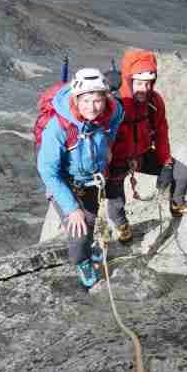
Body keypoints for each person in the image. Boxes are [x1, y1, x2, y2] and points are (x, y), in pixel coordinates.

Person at [37, 68, 124, 289]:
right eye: (86, 101)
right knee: (79, 228)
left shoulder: (111, 116)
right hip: (66, 182)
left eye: (97, 101)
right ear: (76, 99)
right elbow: (48, 171)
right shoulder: (59, 127)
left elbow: (109, 142)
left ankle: (89, 249)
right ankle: (82, 262)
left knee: (92, 221)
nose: (92, 107)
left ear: (105, 99)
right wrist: (70, 207)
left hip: (91, 181)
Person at [105, 49, 187, 243]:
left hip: (141, 155)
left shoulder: (154, 102)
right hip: (116, 160)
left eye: (149, 83)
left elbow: (161, 134)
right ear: (129, 81)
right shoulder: (115, 105)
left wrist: (166, 164)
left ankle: (177, 204)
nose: (145, 88)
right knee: (116, 200)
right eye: (140, 83)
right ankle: (122, 225)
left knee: (182, 174)